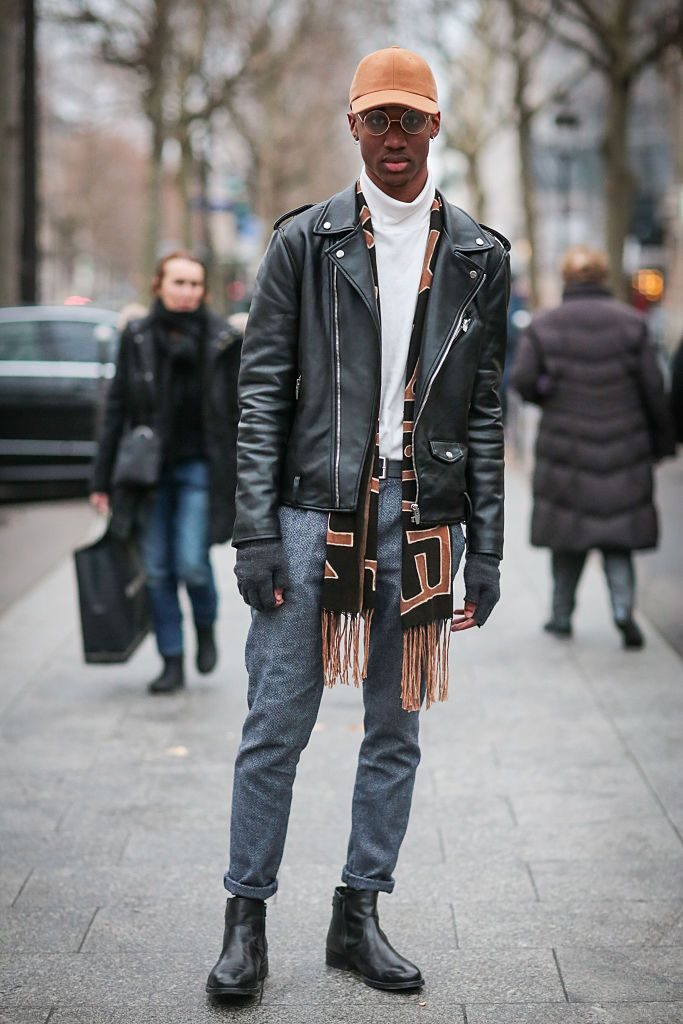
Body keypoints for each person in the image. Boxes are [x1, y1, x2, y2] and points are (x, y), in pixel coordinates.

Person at [206, 46, 510, 998]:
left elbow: (487, 407)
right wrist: (253, 531)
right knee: (275, 724)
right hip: (312, 514)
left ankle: (357, 914)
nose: (392, 136)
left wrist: (487, 547)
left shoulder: (478, 255)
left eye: (408, 119)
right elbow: (260, 392)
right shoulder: (306, 240)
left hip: (423, 522)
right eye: (376, 119)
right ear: (352, 126)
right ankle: (245, 919)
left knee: (395, 731)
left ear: (433, 128)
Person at [90, 251, 241, 693]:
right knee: (157, 570)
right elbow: (115, 408)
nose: (187, 292)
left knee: (192, 563)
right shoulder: (137, 336)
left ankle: (206, 626)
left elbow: (239, 412)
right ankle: (171, 659)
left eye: (195, 284)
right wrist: (101, 481)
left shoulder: (222, 339)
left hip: (200, 467)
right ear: (158, 285)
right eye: (178, 282)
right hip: (147, 472)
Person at [511, 245, 675, 648]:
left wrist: (549, 391)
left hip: (565, 444)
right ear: (604, 277)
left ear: (566, 278)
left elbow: (523, 380)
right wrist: (662, 442)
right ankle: (622, 608)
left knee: (568, 537)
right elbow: (654, 388)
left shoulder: (546, 325)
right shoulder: (631, 324)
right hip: (624, 441)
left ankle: (561, 615)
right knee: (617, 537)